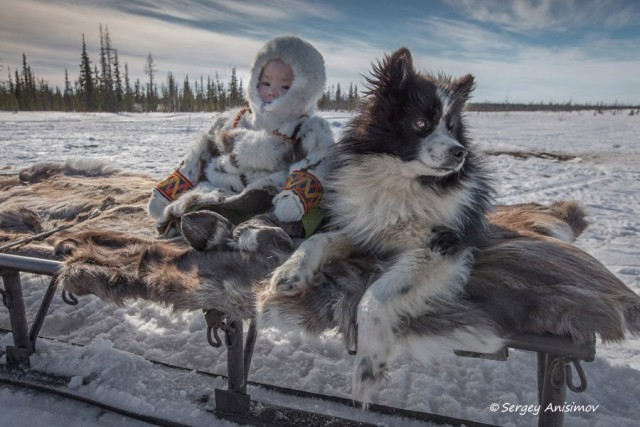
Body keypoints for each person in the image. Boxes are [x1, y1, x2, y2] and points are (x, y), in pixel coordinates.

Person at [147, 36, 334, 247]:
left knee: (300, 215)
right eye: (266, 83)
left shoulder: (307, 128)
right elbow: (199, 158)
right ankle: (209, 226)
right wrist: (169, 192)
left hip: (273, 195)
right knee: (198, 201)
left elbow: (316, 162)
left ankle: (260, 234)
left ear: (306, 90)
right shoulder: (232, 120)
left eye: (284, 87)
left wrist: (296, 196)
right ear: (254, 80)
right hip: (225, 191)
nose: (272, 91)